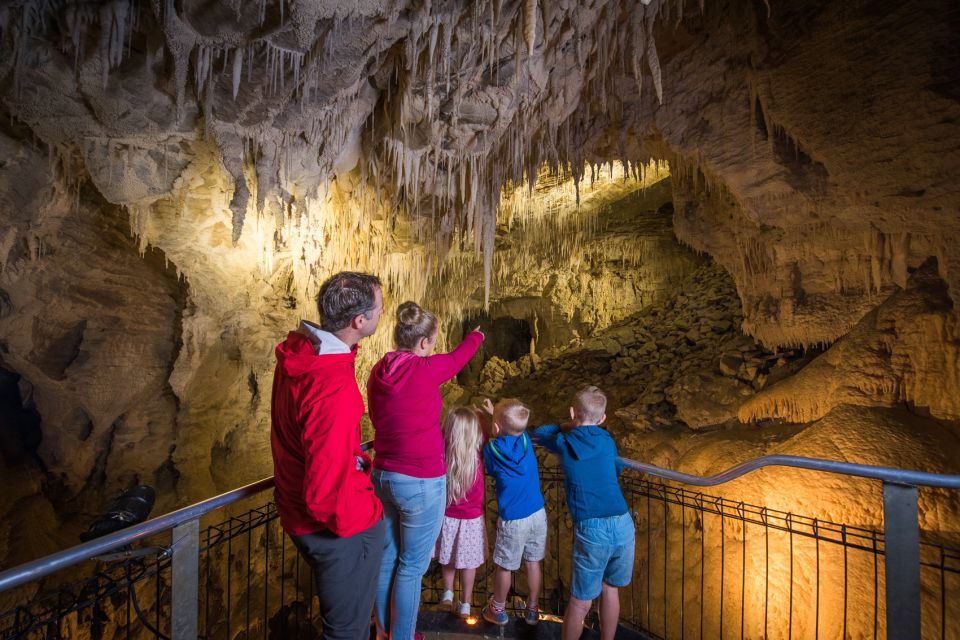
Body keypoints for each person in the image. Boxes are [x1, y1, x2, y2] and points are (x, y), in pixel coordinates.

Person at [270, 271, 386, 640]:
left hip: (294, 511)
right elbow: (325, 495)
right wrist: (370, 515)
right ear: (359, 321)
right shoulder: (332, 388)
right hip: (339, 530)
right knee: (347, 632)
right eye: (379, 309)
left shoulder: (303, 353)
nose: (383, 314)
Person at [367, 302, 484, 640]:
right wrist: (476, 336)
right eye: (433, 340)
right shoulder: (425, 369)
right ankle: (401, 637)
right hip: (420, 480)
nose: (433, 346)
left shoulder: (378, 371)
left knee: (387, 558)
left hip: (383, 475)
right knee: (411, 567)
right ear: (423, 343)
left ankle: (385, 632)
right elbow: (459, 357)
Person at [533, 386, 635, 640]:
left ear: (572, 412)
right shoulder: (607, 441)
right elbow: (616, 471)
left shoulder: (564, 442)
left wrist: (567, 425)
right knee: (610, 589)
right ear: (603, 418)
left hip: (593, 529)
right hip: (623, 522)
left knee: (580, 602)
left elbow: (541, 433)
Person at [481, 398, 545, 627]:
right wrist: (495, 415)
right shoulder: (526, 441)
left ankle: (497, 608)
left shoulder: (492, 450)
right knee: (533, 563)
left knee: (505, 565)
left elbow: (490, 458)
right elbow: (514, 428)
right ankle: (533, 608)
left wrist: (491, 424)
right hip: (538, 513)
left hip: (514, 519)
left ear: (496, 428)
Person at [434, 404, 490, 619]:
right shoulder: (477, 456)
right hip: (472, 520)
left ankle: (447, 595)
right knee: (468, 563)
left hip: (447, 517)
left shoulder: (444, 456)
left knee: (448, 558)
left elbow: (440, 436)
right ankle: (466, 604)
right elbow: (486, 434)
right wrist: (483, 416)